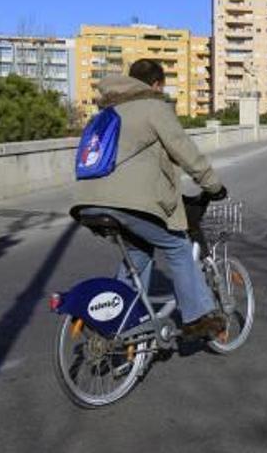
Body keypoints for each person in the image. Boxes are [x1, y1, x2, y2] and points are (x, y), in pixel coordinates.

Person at [70, 59, 227, 339]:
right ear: (156, 84)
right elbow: (183, 150)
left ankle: (119, 324)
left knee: (138, 255)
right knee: (178, 247)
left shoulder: (106, 112)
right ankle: (197, 317)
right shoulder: (153, 107)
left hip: (87, 200)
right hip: (129, 203)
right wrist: (213, 185)